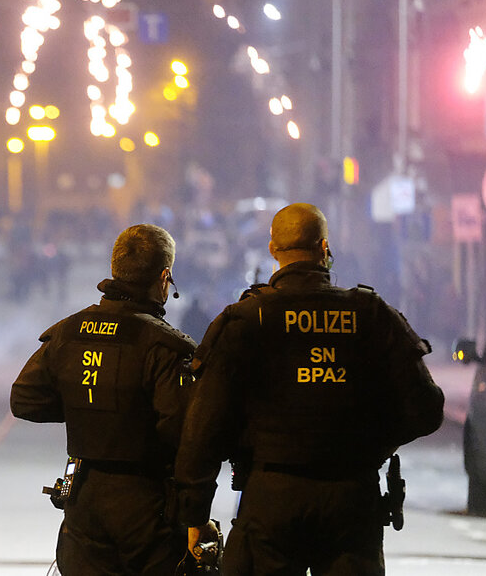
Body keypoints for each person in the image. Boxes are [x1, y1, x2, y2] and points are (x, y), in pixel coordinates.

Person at [172, 203, 445, 575]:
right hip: (352, 497)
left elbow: (202, 429)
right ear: (324, 248)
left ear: (273, 249)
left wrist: (195, 515)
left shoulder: (246, 320)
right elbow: (425, 410)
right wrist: (370, 447)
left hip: (270, 496)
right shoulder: (370, 314)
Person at [11, 223, 197, 575]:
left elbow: (25, 399)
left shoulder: (68, 331)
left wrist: (85, 404)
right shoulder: (165, 346)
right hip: (147, 504)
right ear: (164, 277)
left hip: (84, 500)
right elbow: (182, 430)